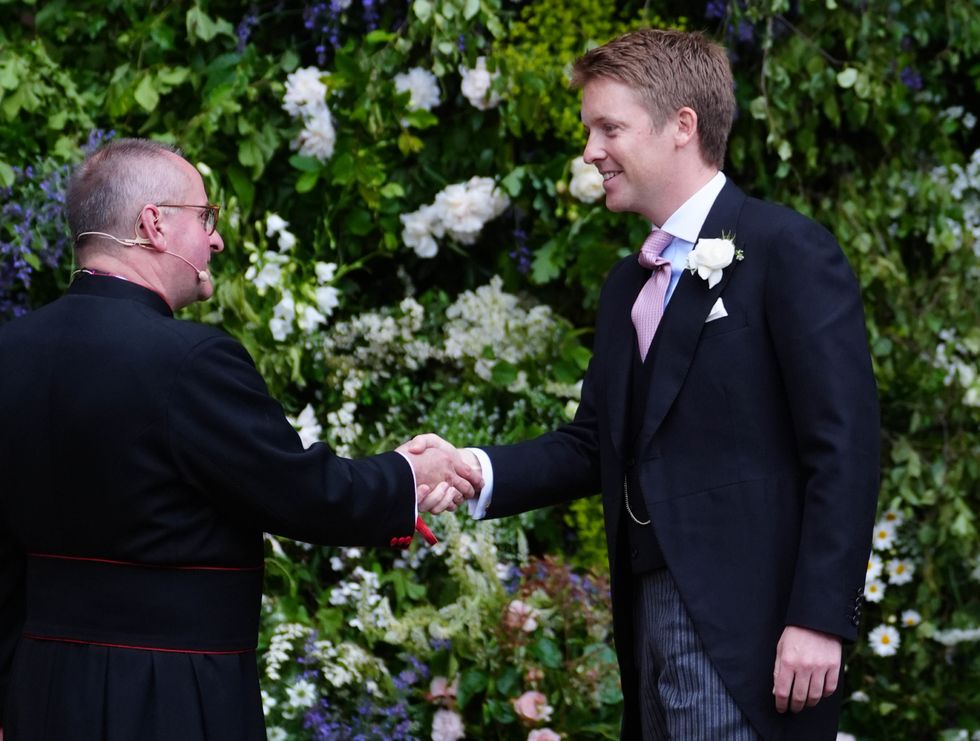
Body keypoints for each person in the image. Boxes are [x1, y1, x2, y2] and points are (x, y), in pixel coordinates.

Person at [423, 29, 880, 739]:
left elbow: (844, 448)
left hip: (753, 636)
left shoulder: (787, 251)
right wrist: (473, 466)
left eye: (609, 127)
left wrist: (820, 616)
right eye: (589, 130)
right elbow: (590, 444)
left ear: (682, 127)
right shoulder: (624, 286)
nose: (590, 151)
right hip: (648, 622)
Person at [0, 138, 481, 740]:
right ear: (155, 224)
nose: (216, 239)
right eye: (206, 218)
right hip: (169, 696)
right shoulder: (192, 360)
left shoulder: (9, 352)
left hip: (38, 694)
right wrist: (410, 476)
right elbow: (304, 492)